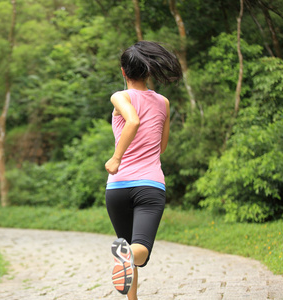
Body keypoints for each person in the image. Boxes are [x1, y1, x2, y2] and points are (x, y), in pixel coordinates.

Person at [105, 41, 182, 300]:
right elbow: (161, 147)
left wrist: (117, 159)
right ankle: (125, 259)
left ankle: (131, 294)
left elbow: (133, 120)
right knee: (139, 250)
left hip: (117, 186)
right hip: (150, 185)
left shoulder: (120, 97)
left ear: (124, 72)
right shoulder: (164, 102)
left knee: (127, 246)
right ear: (148, 71)